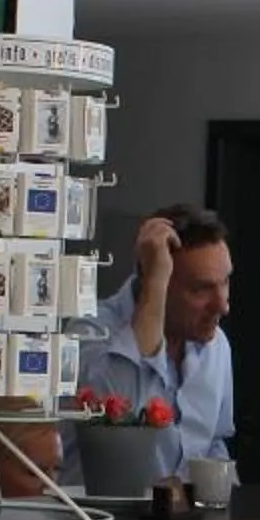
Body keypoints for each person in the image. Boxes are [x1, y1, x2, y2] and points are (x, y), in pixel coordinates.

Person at [63, 205, 236, 485]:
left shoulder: (217, 346)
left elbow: (214, 445)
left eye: (225, 281)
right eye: (201, 289)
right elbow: (118, 419)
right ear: (156, 282)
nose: (223, 306)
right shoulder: (89, 332)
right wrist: (155, 286)